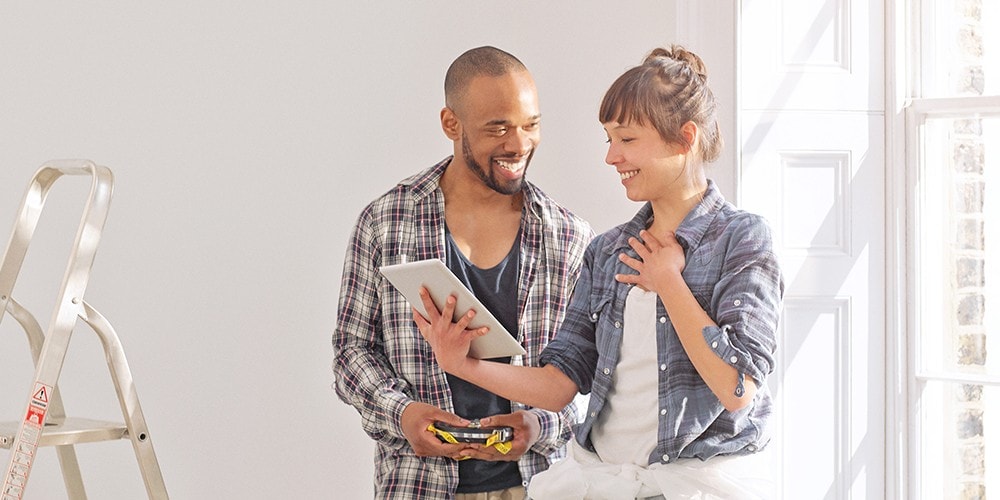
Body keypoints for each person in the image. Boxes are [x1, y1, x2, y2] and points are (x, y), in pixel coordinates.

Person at [416, 45, 784, 499]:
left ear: (685, 138)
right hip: (603, 481)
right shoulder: (607, 251)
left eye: (627, 140)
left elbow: (738, 388)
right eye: (608, 140)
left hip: (694, 484)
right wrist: (462, 364)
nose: (612, 157)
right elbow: (557, 386)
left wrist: (669, 282)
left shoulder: (741, 239)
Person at [333, 46, 594, 499]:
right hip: (418, 484)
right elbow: (351, 351)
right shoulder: (387, 221)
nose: (518, 144)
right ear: (451, 124)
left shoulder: (568, 237)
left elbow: (592, 377)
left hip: (540, 484)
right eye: (498, 128)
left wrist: (540, 422)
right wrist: (403, 413)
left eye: (530, 125)